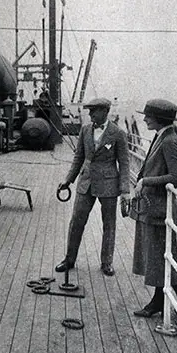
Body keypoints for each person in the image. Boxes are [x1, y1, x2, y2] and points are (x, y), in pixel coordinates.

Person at [55, 97, 130, 277]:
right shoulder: (85, 130)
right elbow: (78, 157)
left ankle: (107, 262)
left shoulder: (118, 134)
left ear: (105, 111)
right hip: (86, 182)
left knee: (109, 224)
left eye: (93, 111)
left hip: (109, 185)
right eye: (89, 111)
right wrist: (68, 180)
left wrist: (125, 190)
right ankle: (69, 259)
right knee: (76, 222)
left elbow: (125, 163)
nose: (90, 114)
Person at [130, 99, 177, 317]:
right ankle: (158, 301)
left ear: (159, 118)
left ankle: (162, 303)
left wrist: (146, 182)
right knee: (159, 258)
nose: (144, 119)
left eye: (148, 116)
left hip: (160, 210)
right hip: (154, 209)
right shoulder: (162, 136)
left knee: (163, 257)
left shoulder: (170, 141)